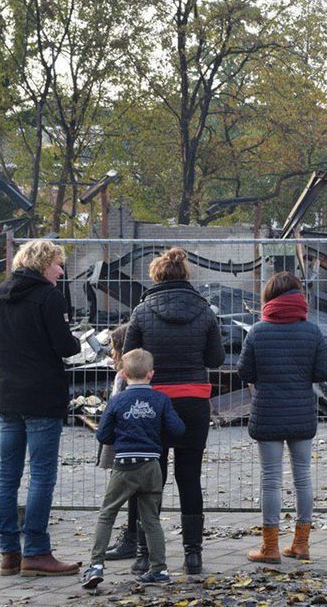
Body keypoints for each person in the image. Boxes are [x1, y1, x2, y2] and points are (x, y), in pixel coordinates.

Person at [0, 239, 82, 576]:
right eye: (58, 264)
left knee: (6, 477)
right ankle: (36, 551)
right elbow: (65, 346)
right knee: (41, 475)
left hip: (7, 397)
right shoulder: (48, 297)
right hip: (42, 397)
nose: (61, 271)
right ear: (43, 263)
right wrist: (76, 339)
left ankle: (9, 552)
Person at [123, 247, 223, 574]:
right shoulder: (206, 311)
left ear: (157, 275)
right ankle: (193, 555)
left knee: (150, 478)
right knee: (189, 477)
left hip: (152, 402)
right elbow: (215, 360)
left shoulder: (141, 311)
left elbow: (129, 360)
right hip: (193, 401)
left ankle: (144, 554)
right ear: (185, 275)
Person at [238, 272, 327, 563]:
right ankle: (301, 544)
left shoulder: (257, 331)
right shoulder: (312, 331)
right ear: (298, 297)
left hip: (268, 413)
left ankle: (270, 548)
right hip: (301, 412)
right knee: (303, 477)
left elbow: (245, 372)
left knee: (271, 479)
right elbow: (323, 372)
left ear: (269, 299)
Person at [82, 349, 185, 589]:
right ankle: (159, 569)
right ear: (151, 374)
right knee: (151, 519)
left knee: (108, 513)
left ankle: (96, 566)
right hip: (151, 465)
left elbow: (103, 434)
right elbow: (177, 429)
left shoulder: (117, 401)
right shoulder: (161, 400)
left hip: (124, 466)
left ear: (124, 375)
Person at [95, 324, 143, 561]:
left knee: (117, 498)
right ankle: (137, 538)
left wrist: (104, 437)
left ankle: (129, 540)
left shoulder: (123, 379)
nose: (112, 354)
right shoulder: (141, 377)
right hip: (139, 447)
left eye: (114, 349)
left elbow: (113, 413)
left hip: (124, 446)